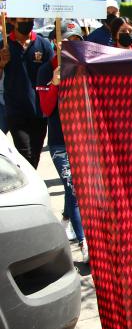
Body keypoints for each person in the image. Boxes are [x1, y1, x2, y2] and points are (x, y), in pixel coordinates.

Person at [36, 20, 89, 262]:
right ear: (55, 42)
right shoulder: (46, 70)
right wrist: (55, 85)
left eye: (76, 41)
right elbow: (46, 109)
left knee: (77, 190)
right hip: (60, 142)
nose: (71, 45)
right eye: (66, 41)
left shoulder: (84, 67)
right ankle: (84, 242)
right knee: (74, 189)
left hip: (84, 139)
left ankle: (67, 218)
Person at [0, 18, 54, 168]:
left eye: (29, 19)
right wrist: (1, 64)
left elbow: (53, 71)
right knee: (25, 153)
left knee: (35, 155)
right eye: (22, 19)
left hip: (39, 110)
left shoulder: (43, 44)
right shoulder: (4, 45)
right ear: (13, 22)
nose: (26, 22)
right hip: (15, 110)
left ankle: (30, 178)